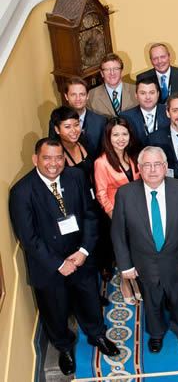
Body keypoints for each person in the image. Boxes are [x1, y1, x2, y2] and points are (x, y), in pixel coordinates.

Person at [9, 138, 119, 375]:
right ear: (35, 159)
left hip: (81, 258)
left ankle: (97, 335)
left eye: (59, 157)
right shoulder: (22, 192)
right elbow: (29, 239)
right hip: (49, 268)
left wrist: (83, 252)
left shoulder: (76, 177)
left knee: (90, 300)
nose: (54, 164)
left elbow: (90, 215)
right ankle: (64, 348)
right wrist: (59, 264)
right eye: (47, 158)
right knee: (55, 311)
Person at [111, 146, 178, 353]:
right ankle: (156, 333)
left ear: (165, 167)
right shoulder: (125, 194)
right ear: (139, 168)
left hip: (177, 261)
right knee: (151, 301)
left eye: (157, 165)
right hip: (143, 263)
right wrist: (125, 266)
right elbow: (118, 234)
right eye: (147, 165)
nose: (152, 170)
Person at [93, 118, 141, 304]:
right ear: (108, 137)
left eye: (124, 134)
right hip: (116, 214)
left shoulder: (133, 155)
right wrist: (114, 216)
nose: (120, 138)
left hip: (137, 212)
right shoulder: (101, 162)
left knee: (136, 248)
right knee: (122, 250)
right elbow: (101, 193)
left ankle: (135, 280)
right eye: (115, 135)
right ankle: (125, 282)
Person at [48, 77, 106, 158]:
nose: (78, 99)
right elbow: (53, 148)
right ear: (66, 96)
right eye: (73, 95)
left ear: (87, 96)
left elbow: (104, 152)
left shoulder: (101, 121)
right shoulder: (57, 119)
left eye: (82, 94)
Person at [120, 77, 170, 148]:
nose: (148, 97)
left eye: (152, 93)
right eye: (143, 93)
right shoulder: (125, 117)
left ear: (158, 94)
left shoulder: (169, 112)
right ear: (136, 95)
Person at [51, 107, 95, 183]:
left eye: (76, 125)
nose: (74, 130)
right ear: (57, 130)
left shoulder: (85, 142)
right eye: (67, 127)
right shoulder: (55, 153)